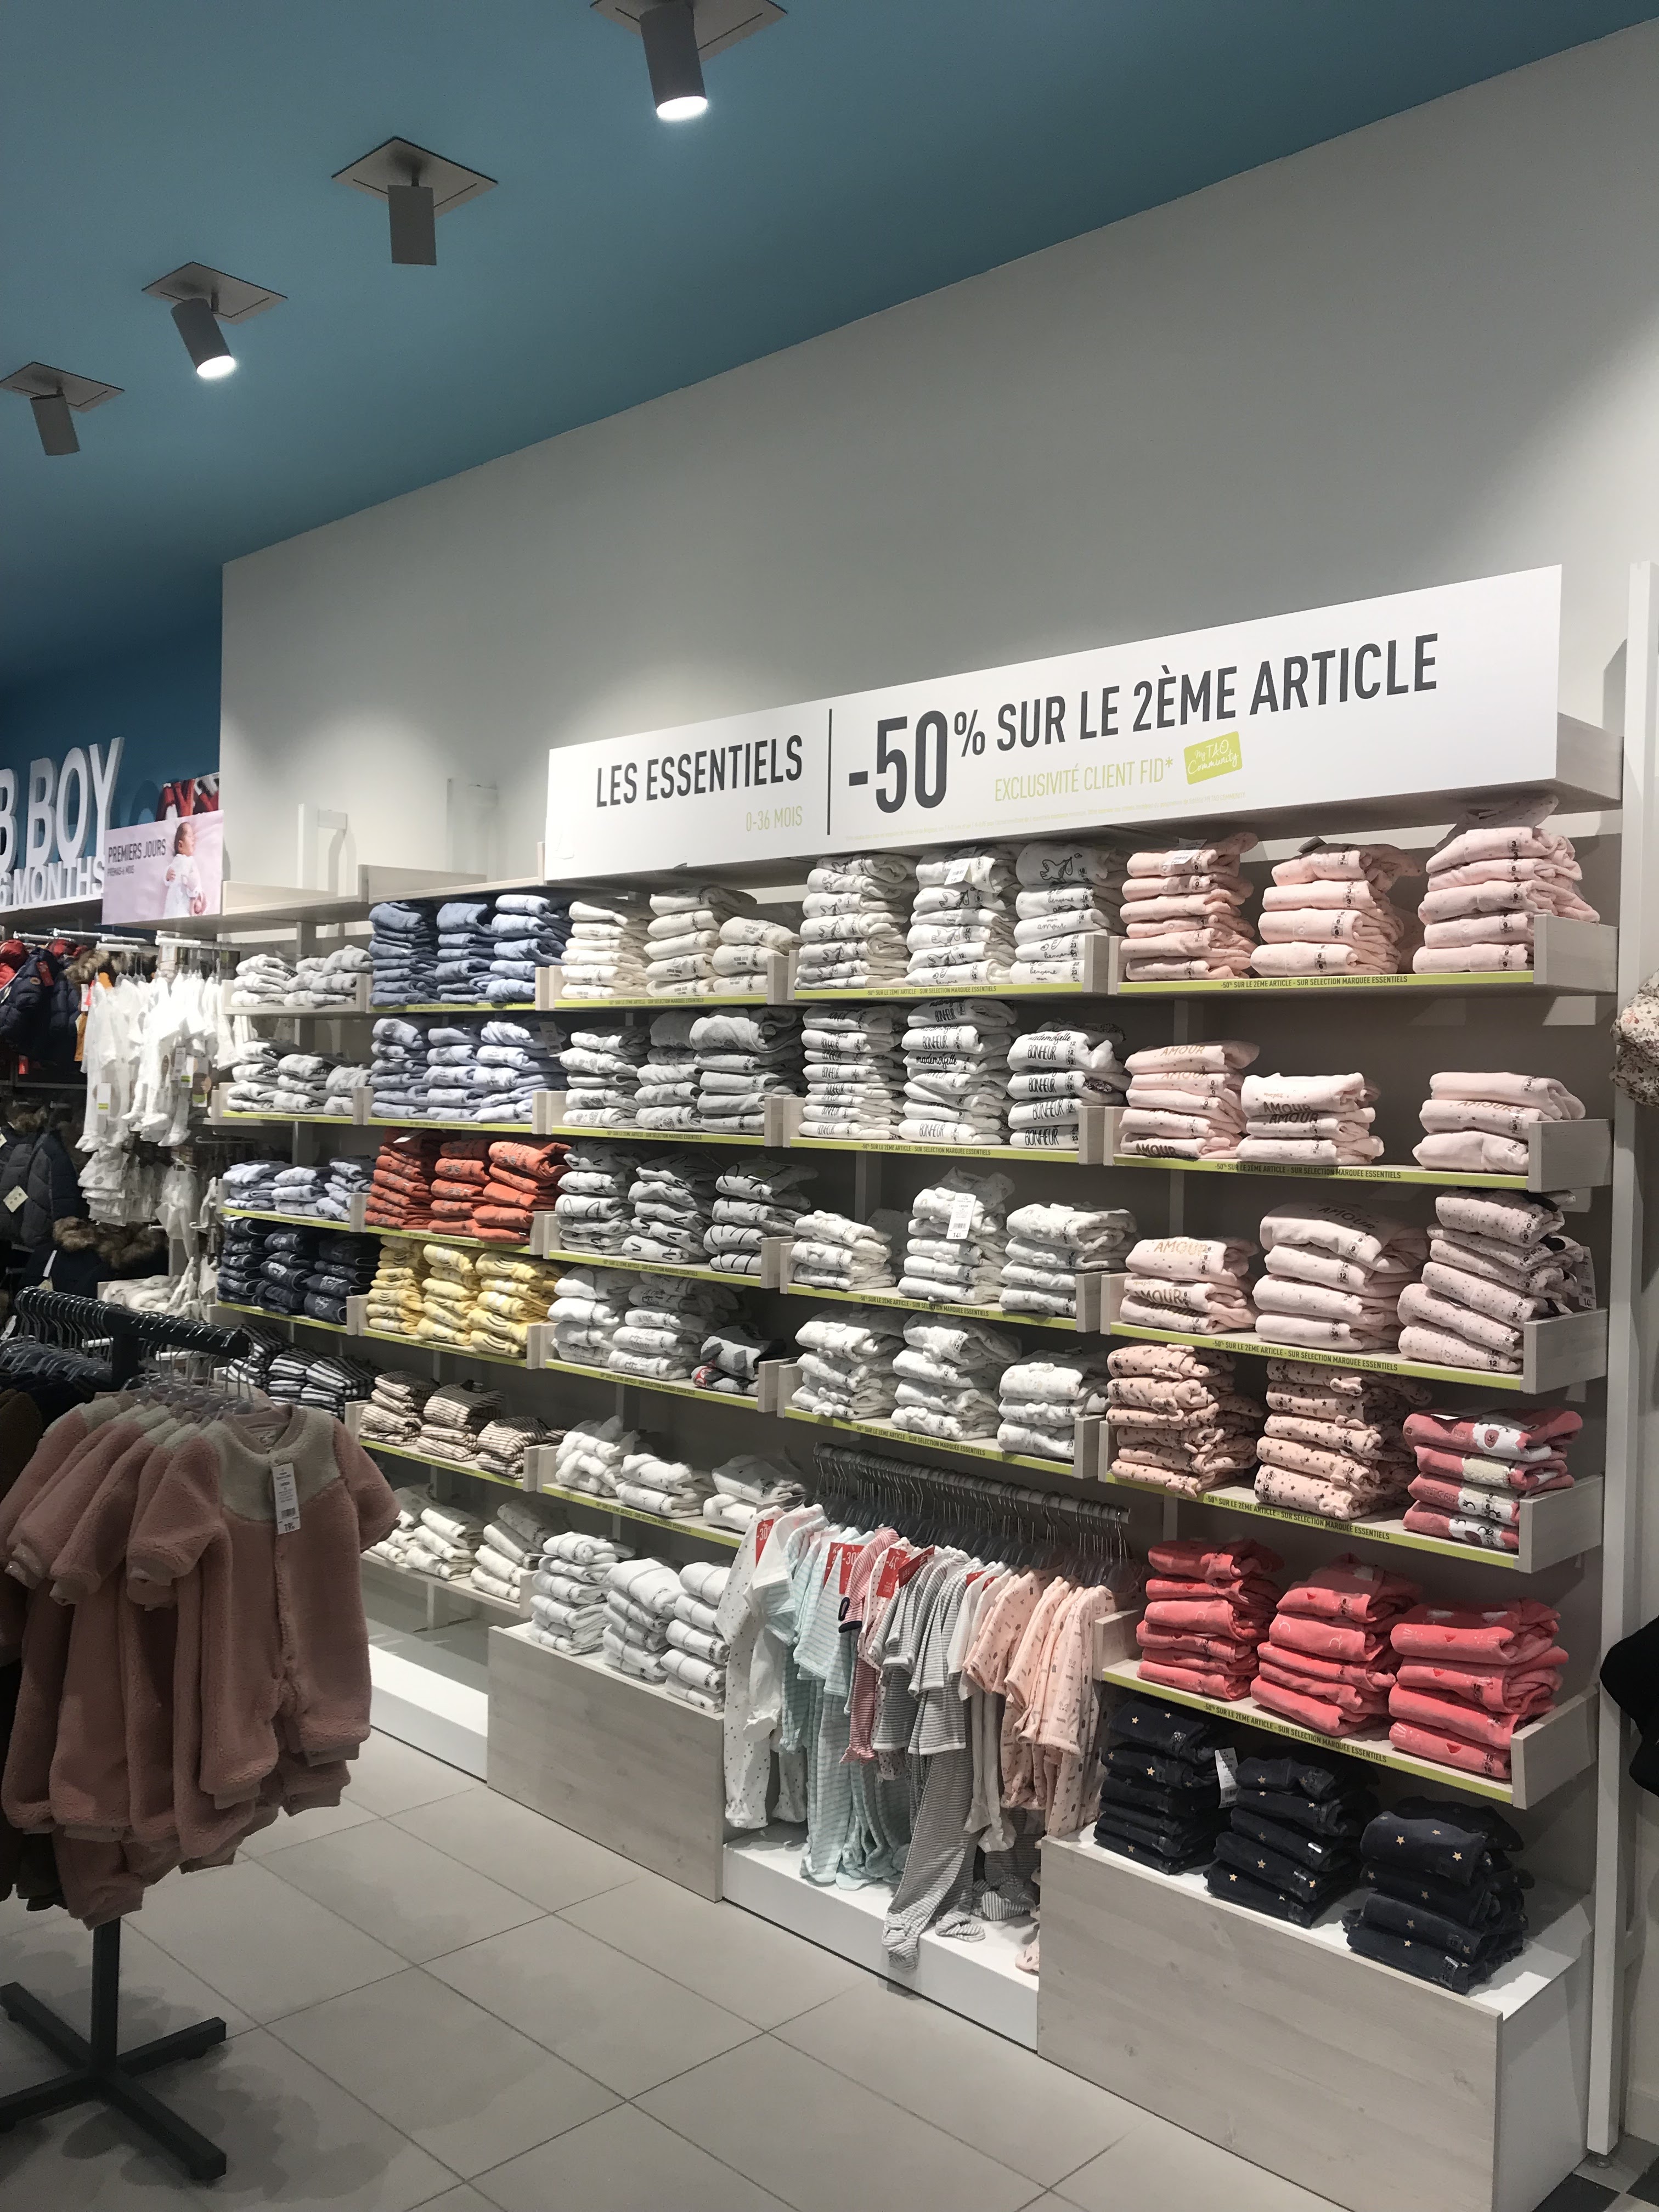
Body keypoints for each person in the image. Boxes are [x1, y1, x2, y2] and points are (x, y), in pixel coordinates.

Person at [161, 819, 206, 918]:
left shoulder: (192, 862)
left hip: (185, 904)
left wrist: (193, 887)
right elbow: (166, 877)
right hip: (172, 905)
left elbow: (197, 882)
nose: (193, 839)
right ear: (181, 845)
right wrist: (167, 875)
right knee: (169, 916)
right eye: (190, 836)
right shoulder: (176, 860)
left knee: (184, 915)